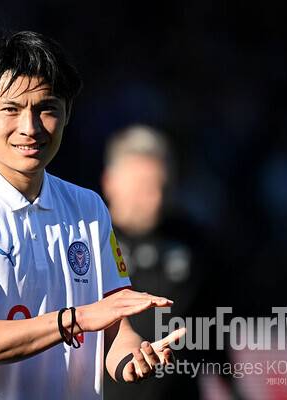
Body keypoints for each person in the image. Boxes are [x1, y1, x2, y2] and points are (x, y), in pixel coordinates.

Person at [0, 31, 185, 400]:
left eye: (46, 108)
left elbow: (115, 331)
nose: (30, 127)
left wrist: (133, 358)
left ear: (67, 113)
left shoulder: (88, 209)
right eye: (11, 109)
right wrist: (74, 319)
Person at [101, 125, 237, 399]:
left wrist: (230, 383)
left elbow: (211, 322)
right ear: (110, 182)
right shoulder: (88, 240)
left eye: (162, 187)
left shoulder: (194, 242)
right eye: (142, 188)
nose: (156, 199)